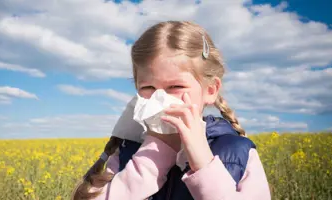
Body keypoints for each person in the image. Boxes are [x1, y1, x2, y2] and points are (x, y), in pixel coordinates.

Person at [72, 21, 271, 200]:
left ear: (210, 90)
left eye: (175, 87)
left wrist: (203, 163)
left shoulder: (237, 152)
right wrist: (154, 154)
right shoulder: (127, 150)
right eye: (148, 88)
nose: (160, 99)